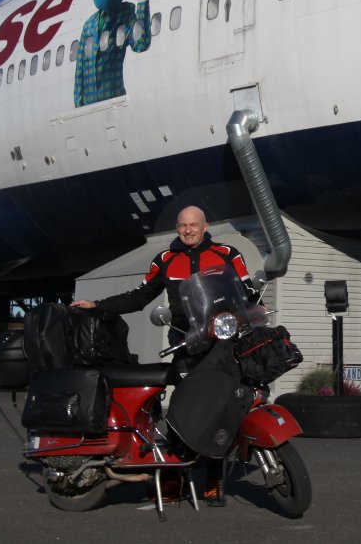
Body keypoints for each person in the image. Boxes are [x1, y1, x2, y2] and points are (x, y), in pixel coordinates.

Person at [71, 205, 252, 507]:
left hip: (220, 343)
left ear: (205, 226)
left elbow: (245, 290)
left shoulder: (227, 254)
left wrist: (251, 309)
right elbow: (139, 296)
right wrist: (98, 305)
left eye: (194, 225)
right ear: (177, 228)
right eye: (182, 225)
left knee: (222, 411)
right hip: (184, 342)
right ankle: (173, 480)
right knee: (181, 410)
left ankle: (213, 481)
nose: (188, 230)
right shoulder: (166, 259)